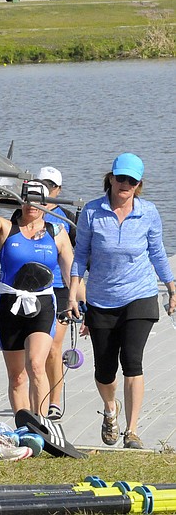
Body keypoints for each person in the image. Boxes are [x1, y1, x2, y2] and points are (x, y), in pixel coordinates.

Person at [69, 153, 176, 450]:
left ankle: (132, 432)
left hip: (139, 295)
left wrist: (171, 286)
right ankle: (110, 408)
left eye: (131, 180)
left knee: (132, 362)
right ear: (111, 178)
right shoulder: (92, 211)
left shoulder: (148, 212)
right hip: (101, 298)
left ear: (139, 183)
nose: (124, 184)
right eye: (120, 178)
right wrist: (73, 293)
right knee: (104, 370)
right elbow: (80, 256)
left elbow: (157, 252)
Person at [0, 182, 74, 417]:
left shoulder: (57, 233)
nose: (31, 205)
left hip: (43, 305)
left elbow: (70, 275)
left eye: (37, 200)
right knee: (17, 377)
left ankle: (42, 424)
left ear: (46, 203)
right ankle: (24, 427)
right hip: (9, 305)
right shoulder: (6, 228)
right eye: (26, 199)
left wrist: (79, 302)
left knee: (36, 365)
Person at [35, 166, 83, 420]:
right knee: (35, 348)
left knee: (54, 346)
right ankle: (37, 396)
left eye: (50, 187)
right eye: (41, 185)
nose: (46, 191)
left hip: (61, 288)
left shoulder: (67, 220)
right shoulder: (24, 213)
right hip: (32, 288)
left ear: (58, 190)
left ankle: (54, 401)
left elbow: (80, 259)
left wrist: (82, 300)